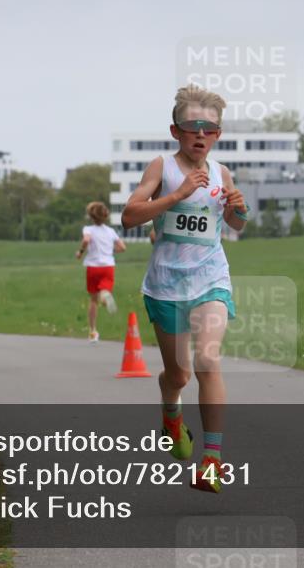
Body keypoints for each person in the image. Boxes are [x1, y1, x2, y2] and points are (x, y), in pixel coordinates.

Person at [121, 84, 249, 494]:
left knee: (207, 361)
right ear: (176, 131)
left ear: (217, 135)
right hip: (166, 284)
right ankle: (171, 412)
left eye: (209, 129)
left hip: (211, 278)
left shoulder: (222, 173)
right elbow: (129, 216)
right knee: (178, 374)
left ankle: (212, 462)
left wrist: (238, 209)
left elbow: (235, 225)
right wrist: (177, 194)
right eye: (192, 127)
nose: (200, 134)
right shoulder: (162, 168)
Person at [76, 201, 127, 342]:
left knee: (93, 300)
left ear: (91, 216)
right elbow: (122, 247)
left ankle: (93, 332)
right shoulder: (111, 231)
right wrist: (110, 250)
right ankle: (105, 295)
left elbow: (86, 240)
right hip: (108, 267)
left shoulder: (88, 229)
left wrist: (80, 252)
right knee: (104, 291)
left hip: (92, 267)